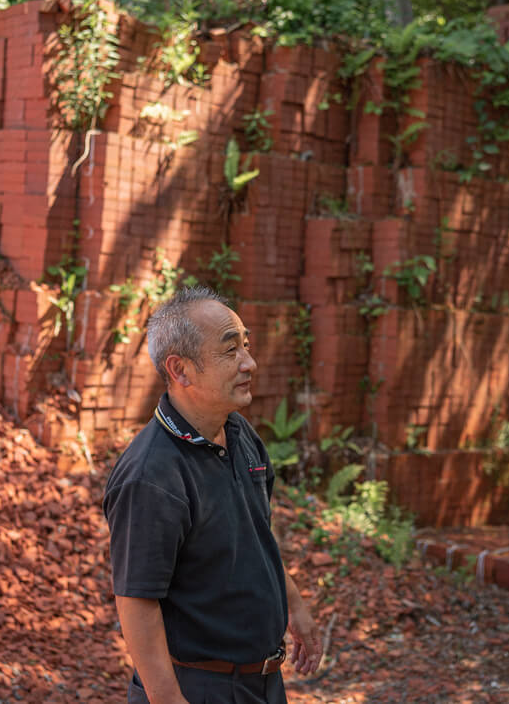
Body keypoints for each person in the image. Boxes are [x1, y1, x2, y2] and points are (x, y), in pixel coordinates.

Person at [103, 285, 322, 704]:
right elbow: (137, 603)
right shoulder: (152, 474)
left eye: (245, 345)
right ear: (181, 370)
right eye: (229, 351)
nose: (249, 362)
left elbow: (257, 534)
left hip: (262, 683)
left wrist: (295, 605)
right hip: (198, 689)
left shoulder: (240, 433)